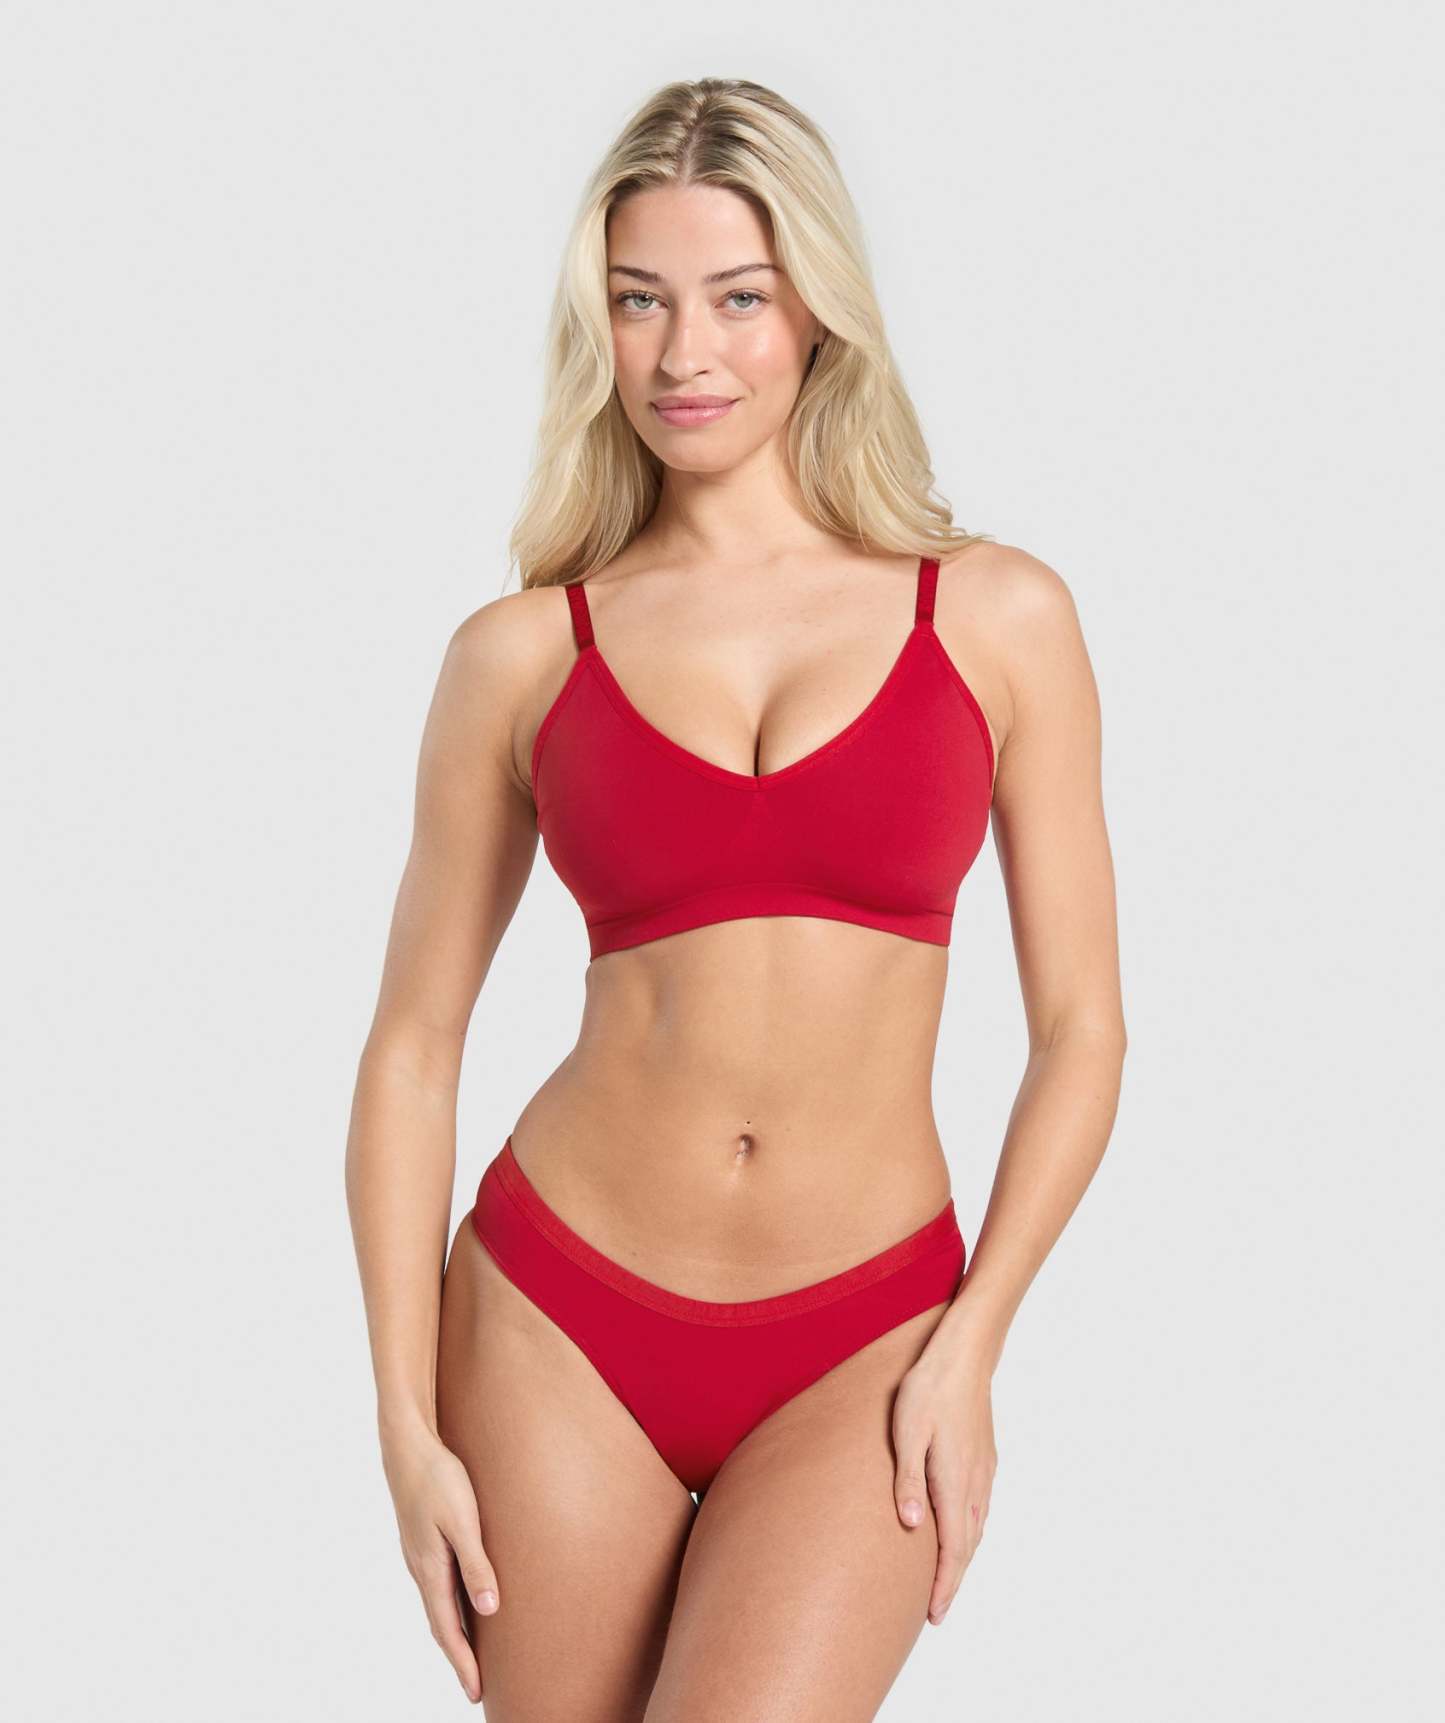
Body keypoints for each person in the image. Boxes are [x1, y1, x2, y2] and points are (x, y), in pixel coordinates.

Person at [345, 76, 1126, 1719]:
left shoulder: (994, 616)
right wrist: (403, 1426)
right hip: (556, 1316)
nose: (682, 354)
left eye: (736, 298)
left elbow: (1080, 1031)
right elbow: (412, 1047)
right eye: (639, 301)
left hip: (866, 1334)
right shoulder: (520, 652)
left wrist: (976, 1337)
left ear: (819, 309)